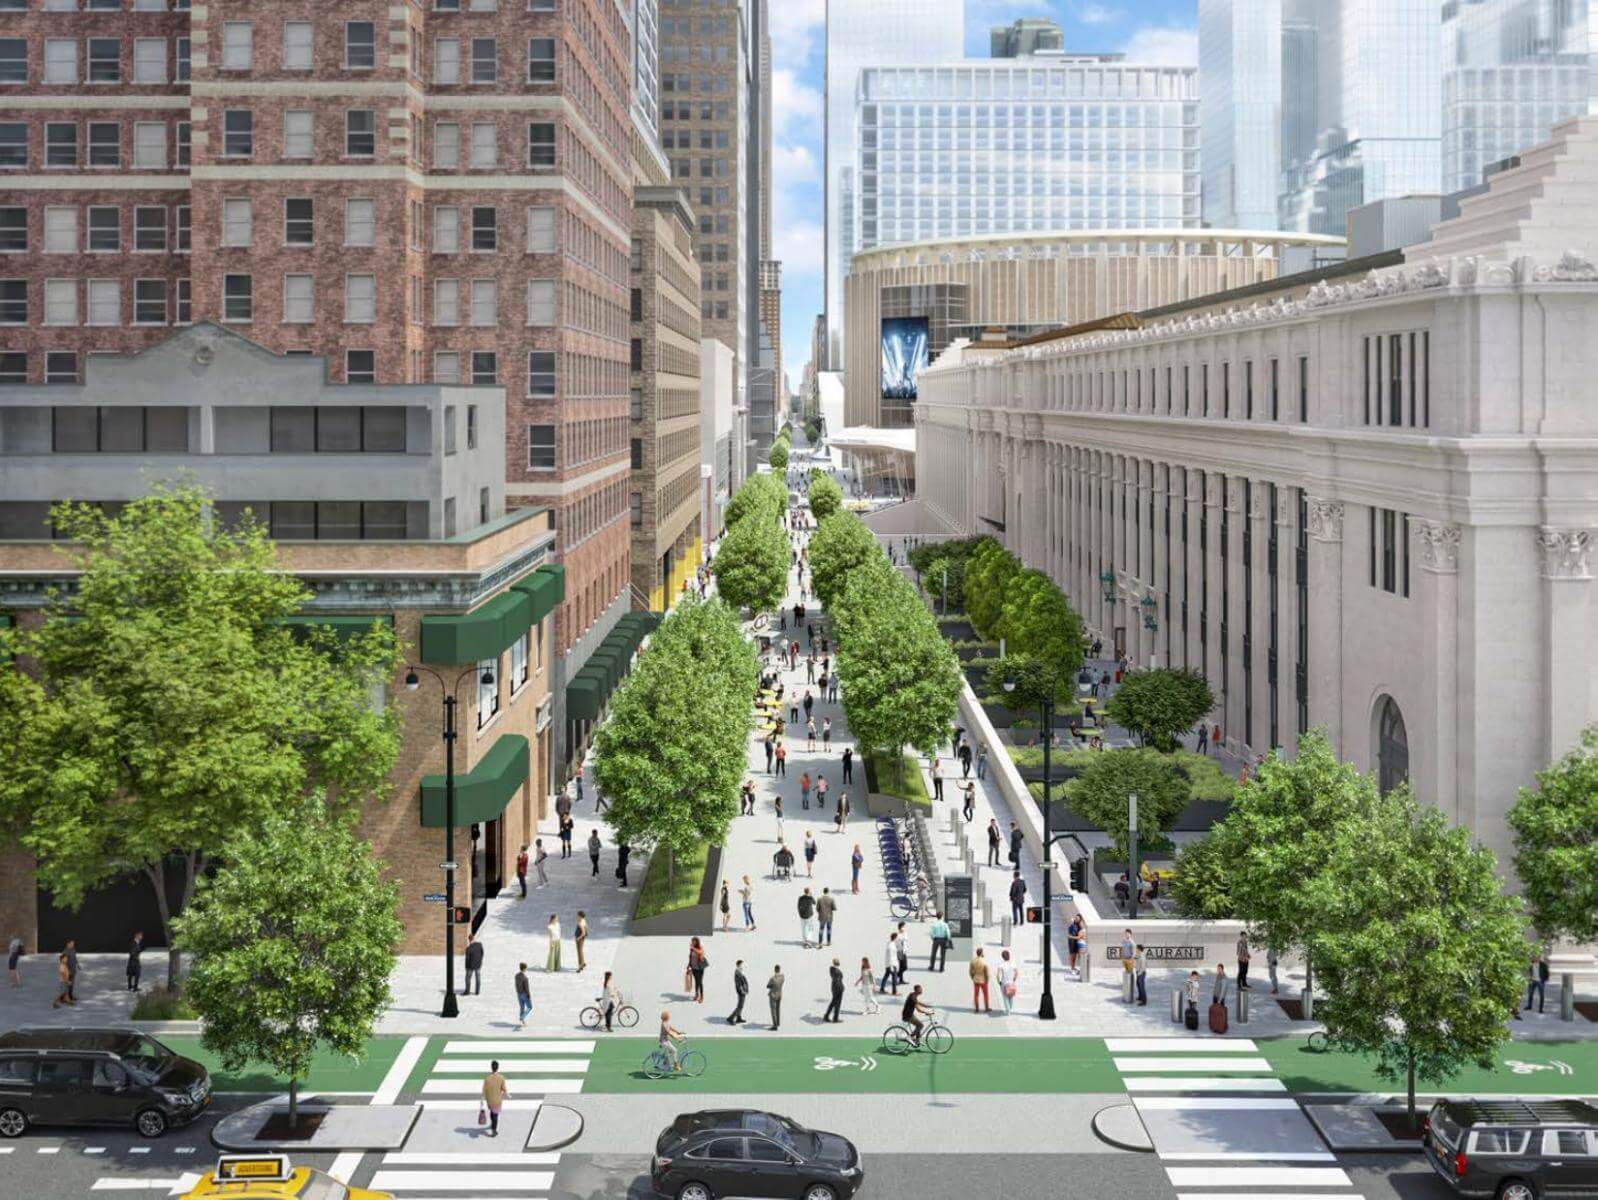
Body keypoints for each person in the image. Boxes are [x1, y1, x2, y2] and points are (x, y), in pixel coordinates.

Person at [481, 1062, 509, 1137]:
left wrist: (482, 1100)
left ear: (491, 1068)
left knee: (492, 1113)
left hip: (489, 1101)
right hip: (497, 1101)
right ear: (498, 1068)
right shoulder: (501, 1078)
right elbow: (503, 1088)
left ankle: (492, 1124)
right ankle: (494, 1130)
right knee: (495, 1116)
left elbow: (484, 1090)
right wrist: (508, 1094)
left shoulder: (487, 1078)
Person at [996, 950, 1019, 1014]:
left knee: (1005, 997)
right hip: (1011, 982)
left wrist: (999, 982)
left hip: (1004, 983)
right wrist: (1014, 979)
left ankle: (1008, 1010)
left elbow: (997, 975)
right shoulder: (1013, 964)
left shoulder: (1001, 965)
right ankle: (1010, 1008)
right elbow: (1017, 973)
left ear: (1002, 957)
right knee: (1011, 996)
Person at [824, 958, 846, 1023]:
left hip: (833, 987)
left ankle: (827, 1016)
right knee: (837, 1003)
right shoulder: (837, 971)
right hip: (838, 988)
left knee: (833, 1002)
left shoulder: (831, 969)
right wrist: (842, 987)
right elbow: (838, 981)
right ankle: (834, 1018)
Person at [687, 937, 708, 1003]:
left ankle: (702, 996)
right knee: (696, 981)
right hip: (694, 967)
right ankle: (696, 994)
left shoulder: (699, 947)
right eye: (692, 941)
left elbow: (700, 952)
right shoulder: (691, 949)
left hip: (700, 967)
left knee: (700, 982)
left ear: (697, 942)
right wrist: (688, 965)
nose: (692, 942)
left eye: (694, 941)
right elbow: (690, 957)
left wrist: (693, 948)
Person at [970, 948, 992, 1012]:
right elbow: (987, 972)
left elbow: (970, 971)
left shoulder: (973, 961)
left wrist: (973, 977)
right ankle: (986, 1007)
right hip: (983, 980)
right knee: (985, 995)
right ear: (981, 953)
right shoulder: (984, 962)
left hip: (976, 979)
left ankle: (977, 1008)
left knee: (976, 995)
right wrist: (987, 980)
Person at [729, 960, 749, 1025]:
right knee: (740, 1006)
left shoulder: (740, 971)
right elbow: (739, 983)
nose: (742, 966)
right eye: (741, 964)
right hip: (741, 990)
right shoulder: (737, 972)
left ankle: (738, 1017)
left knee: (741, 1005)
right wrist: (742, 990)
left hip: (742, 990)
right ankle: (731, 1018)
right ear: (738, 965)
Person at [514, 963, 532, 1027]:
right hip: (524, 994)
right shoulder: (525, 978)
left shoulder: (516, 976)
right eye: (526, 968)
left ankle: (523, 1022)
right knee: (530, 1007)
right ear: (524, 969)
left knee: (522, 1007)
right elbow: (527, 988)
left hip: (519, 994)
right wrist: (529, 996)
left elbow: (516, 984)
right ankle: (522, 1017)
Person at [767, 966, 785, 1030]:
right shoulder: (782, 977)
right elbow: (781, 982)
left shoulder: (772, 978)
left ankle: (775, 1025)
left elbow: (768, 985)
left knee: (773, 1011)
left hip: (773, 995)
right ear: (779, 970)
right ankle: (778, 1022)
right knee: (778, 1009)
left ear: (774, 970)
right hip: (779, 994)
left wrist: (772, 986)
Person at [64, 939, 77, 1004]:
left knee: (72, 984)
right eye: (71, 944)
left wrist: (78, 964)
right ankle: (66, 998)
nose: (73, 945)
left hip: (73, 970)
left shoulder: (73, 950)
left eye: (73, 944)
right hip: (68, 971)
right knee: (67, 984)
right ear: (67, 944)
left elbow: (75, 958)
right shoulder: (65, 951)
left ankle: (71, 996)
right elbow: (63, 962)